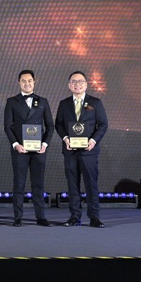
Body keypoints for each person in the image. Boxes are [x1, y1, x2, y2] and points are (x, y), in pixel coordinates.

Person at [55, 71, 109, 228]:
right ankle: (74, 216)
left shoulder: (95, 103)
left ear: (86, 84)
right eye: (74, 82)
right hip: (70, 151)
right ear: (69, 85)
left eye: (80, 81)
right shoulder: (64, 104)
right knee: (72, 185)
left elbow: (103, 124)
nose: (77, 84)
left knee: (91, 184)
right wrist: (65, 138)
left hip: (89, 151)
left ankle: (94, 217)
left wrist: (93, 141)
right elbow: (59, 124)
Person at [3, 70, 54, 227]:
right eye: (24, 81)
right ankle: (18, 217)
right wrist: (16, 145)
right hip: (20, 150)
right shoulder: (12, 102)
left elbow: (50, 126)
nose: (27, 83)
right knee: (19, 183)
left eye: (30, 80)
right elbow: (7, 126)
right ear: (19, 82)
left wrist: (44, 144)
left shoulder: (43, 101)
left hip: (38, 150)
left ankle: (41, 217)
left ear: (34, 82)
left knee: (38, 184)